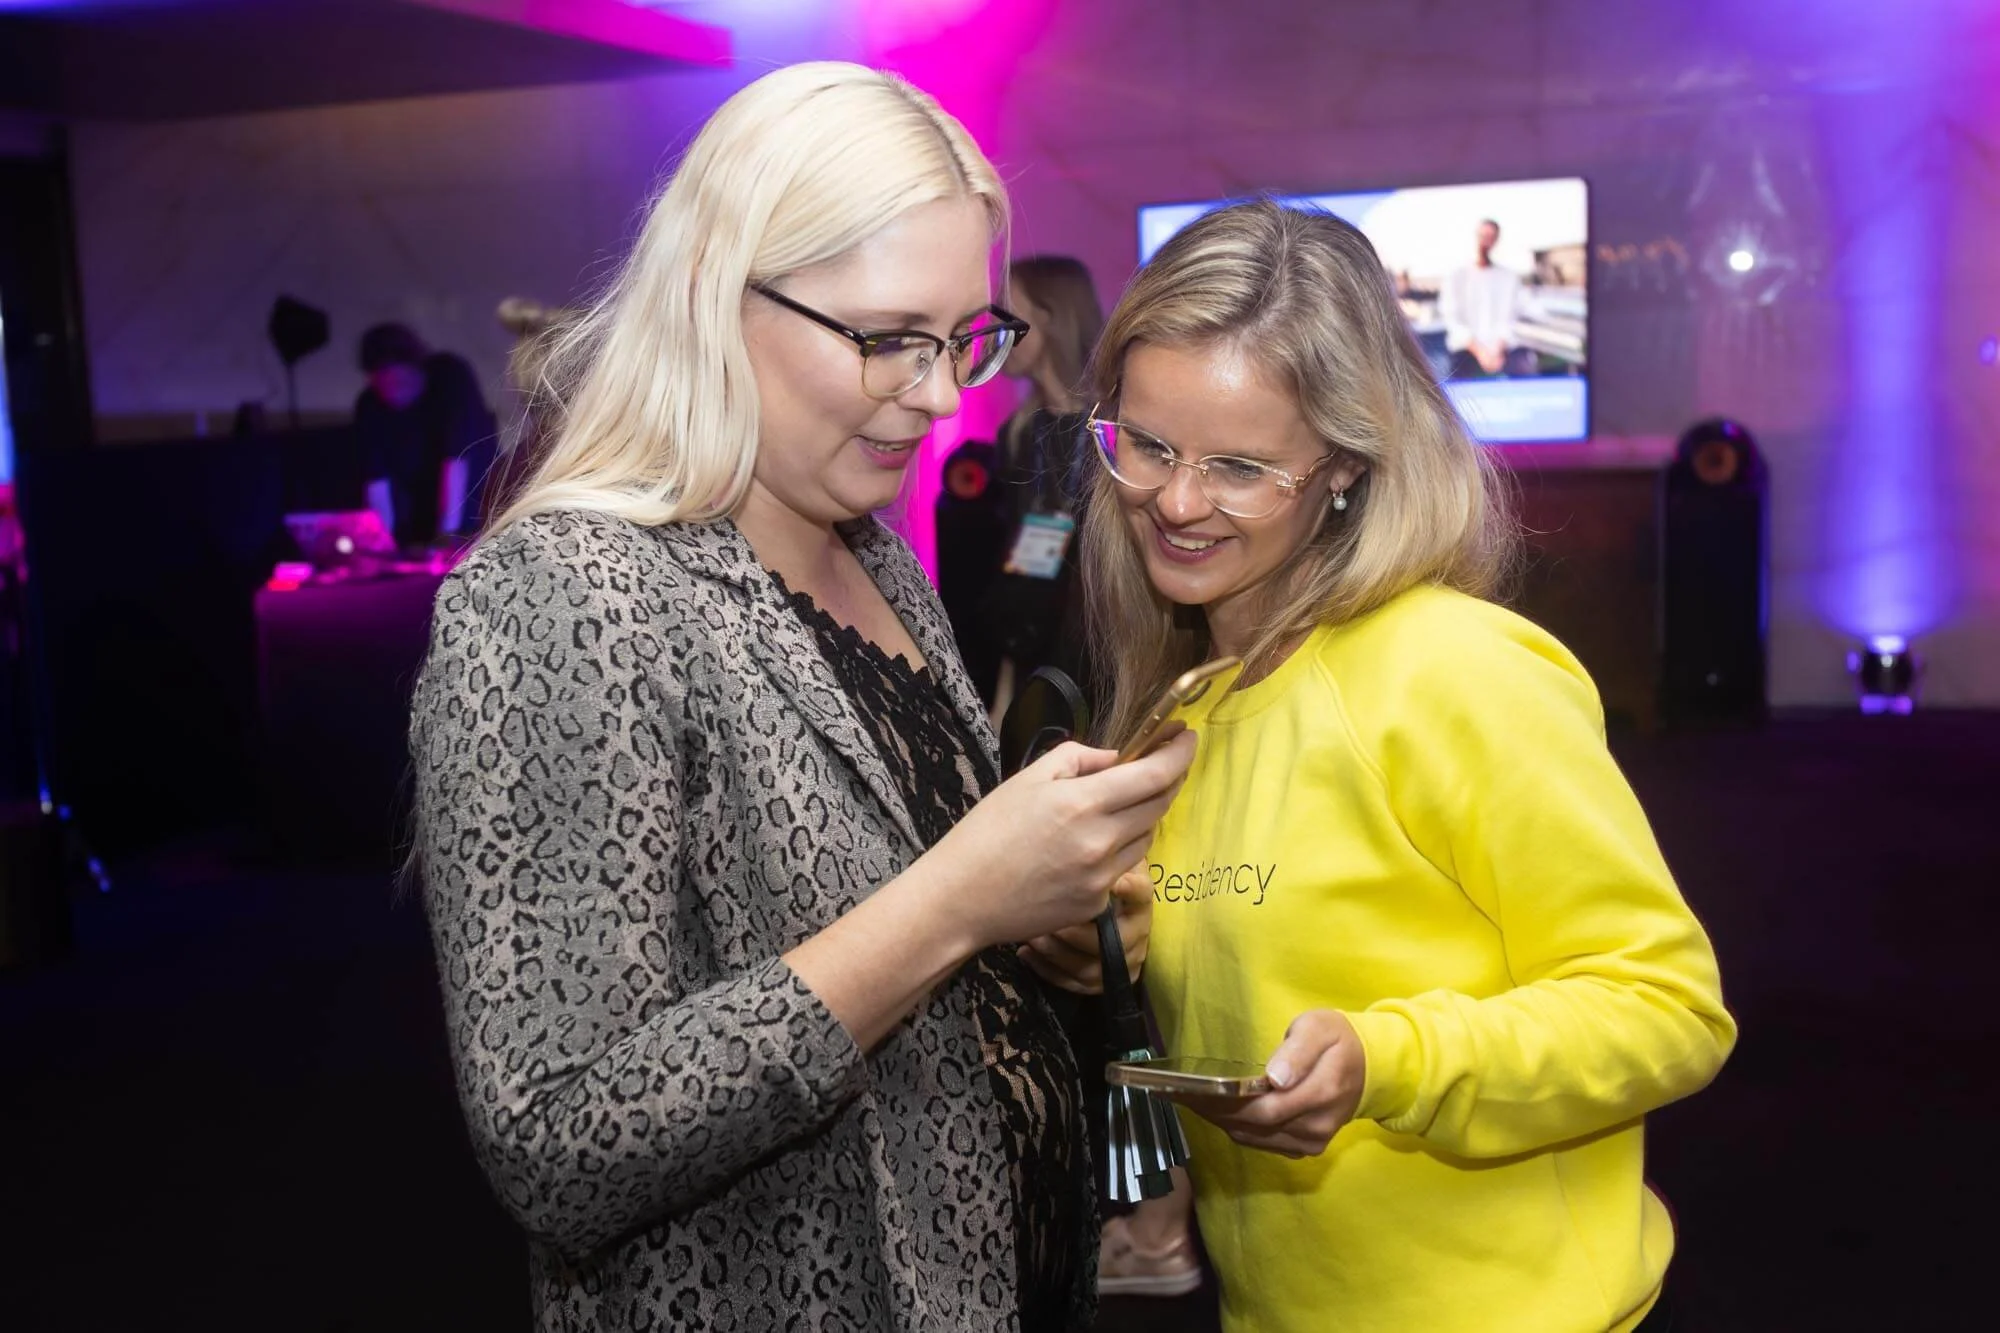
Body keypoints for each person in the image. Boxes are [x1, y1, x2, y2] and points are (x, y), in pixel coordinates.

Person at [407, 62, 1196, 1333]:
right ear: (717, 298)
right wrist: (957, 901)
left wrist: (1035, 924)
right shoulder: (567, 595)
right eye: (888, 338)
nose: (940, 396)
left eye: (962, 340)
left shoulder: (869, 547)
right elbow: (557, 1138)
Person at [1079, 199, 1737, 1332]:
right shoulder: (1196, 693)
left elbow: (1666, 1006)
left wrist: (1388, 1060)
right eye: (1147, 445)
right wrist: (1102, 948)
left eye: (1239, 466)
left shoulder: (1451, 671)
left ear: (1342, 465)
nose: (1175, 503)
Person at [355, 322, 498, 545]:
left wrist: (448, 532)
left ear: (418, 369)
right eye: (384, 385)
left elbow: (458, 458)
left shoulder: (451, 377)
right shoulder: (370, 405)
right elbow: (376, 479)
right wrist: (382, 541)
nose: (394, 393)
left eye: (400, 382)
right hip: (416, 517)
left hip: (475, 504)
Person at [1439, 216, 1530, 378]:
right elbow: (1453, 320)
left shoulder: (1509, 277)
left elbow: (1511, 319)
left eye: (1490, 237)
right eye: (1482, 236)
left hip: (1502, 351)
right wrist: (1481, 353)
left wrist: (1497, 350)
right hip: (1466, 351)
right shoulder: (1455, 276)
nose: (1485, 242)